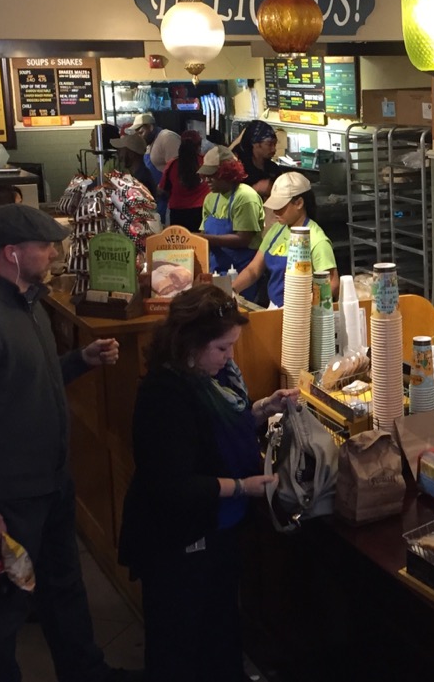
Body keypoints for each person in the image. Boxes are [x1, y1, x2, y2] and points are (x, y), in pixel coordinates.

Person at [0, 203, 138, 682]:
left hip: (50, 483)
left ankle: (86, 671)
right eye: (45, 246)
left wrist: (81, 360)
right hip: (10, 496)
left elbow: (31, 381)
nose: (55, 252)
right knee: (4, 606)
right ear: (11, 253)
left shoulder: (28, 301)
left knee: (63, 587)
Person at [119, 284, 297, 682]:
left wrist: (261, 409)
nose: (230, 357)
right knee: (179, 644)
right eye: (221, 348)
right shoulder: (165, 395)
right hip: (177, 541)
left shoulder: (212, 381)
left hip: (216, 534)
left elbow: (216, 431)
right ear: (188, 345)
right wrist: (243, 486)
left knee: (218, 628)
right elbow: (172, 485)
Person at [231, 171, 337, 307]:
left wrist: (300, 306)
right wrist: (232, 290)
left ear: (299, 203)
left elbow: (332, 285)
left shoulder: (317, 240)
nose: (275, 212)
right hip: (275, 308)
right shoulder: (277, 230)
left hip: (302, 315)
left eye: (280, 207)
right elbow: (254, 269)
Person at [196, 146, 263, 291]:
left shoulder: (245, 197)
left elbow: (244, 239)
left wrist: (205, 239)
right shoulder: (210, 198)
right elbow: (203, 234)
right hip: (215, 269)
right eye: (205, 176)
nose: (207, 180)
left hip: (241, 272)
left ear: (227, 173)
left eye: (212, 175)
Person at [161, 130, 210, 231]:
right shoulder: (206, 162)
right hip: (201, 211)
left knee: (180, 244)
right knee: (200, 243)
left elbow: (163, 189)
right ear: (199, 145)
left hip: (178, 213)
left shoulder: (172, 164)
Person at [231, 120, 282, 198]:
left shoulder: (273, 169)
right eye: (269, 144)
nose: (273, 149)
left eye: (275, 144)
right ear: (255, 144)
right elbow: (229, 198)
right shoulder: (238, 168)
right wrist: (255, 189)